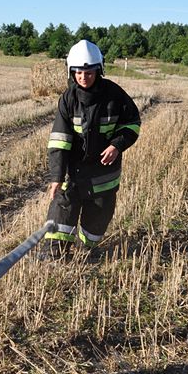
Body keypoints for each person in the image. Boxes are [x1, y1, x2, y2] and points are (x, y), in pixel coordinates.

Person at [42, 39, 140, 258]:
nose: (83, 77)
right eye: (78, 73)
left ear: (99, 70)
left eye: (88, 73)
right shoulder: (68, 99)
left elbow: (132, 123)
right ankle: (54, 254)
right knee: (62, 210)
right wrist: (56, 176)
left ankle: (87, 251)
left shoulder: (115, 95)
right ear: (71, 72)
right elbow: (59, 140)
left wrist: (117, 145)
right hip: (74, 171)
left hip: (105, 173)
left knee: (97, 218)